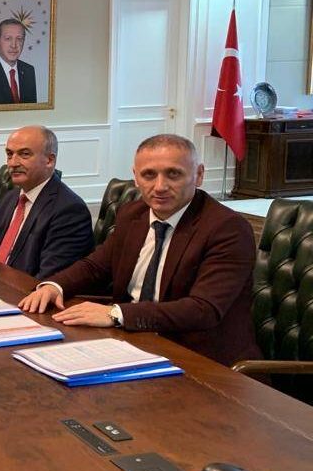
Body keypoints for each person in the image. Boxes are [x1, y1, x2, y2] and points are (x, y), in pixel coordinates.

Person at [19, 134, 260, 366]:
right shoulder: (133, 214)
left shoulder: (227, 228)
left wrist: (116, 314)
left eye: (173, 174)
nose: (160, 186)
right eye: (149, 175)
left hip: (200, 358)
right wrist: (54, 286)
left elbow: (203, 309)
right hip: (131, 341)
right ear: (136, 177)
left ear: (198, 175)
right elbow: (95, 266)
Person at [0, 126, 93, 278]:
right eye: (9, 154)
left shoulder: (70, 210)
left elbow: (48, 278)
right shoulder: (11, 197)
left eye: (24, 154)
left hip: (24, 290)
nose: (12, 163)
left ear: (49, 160)